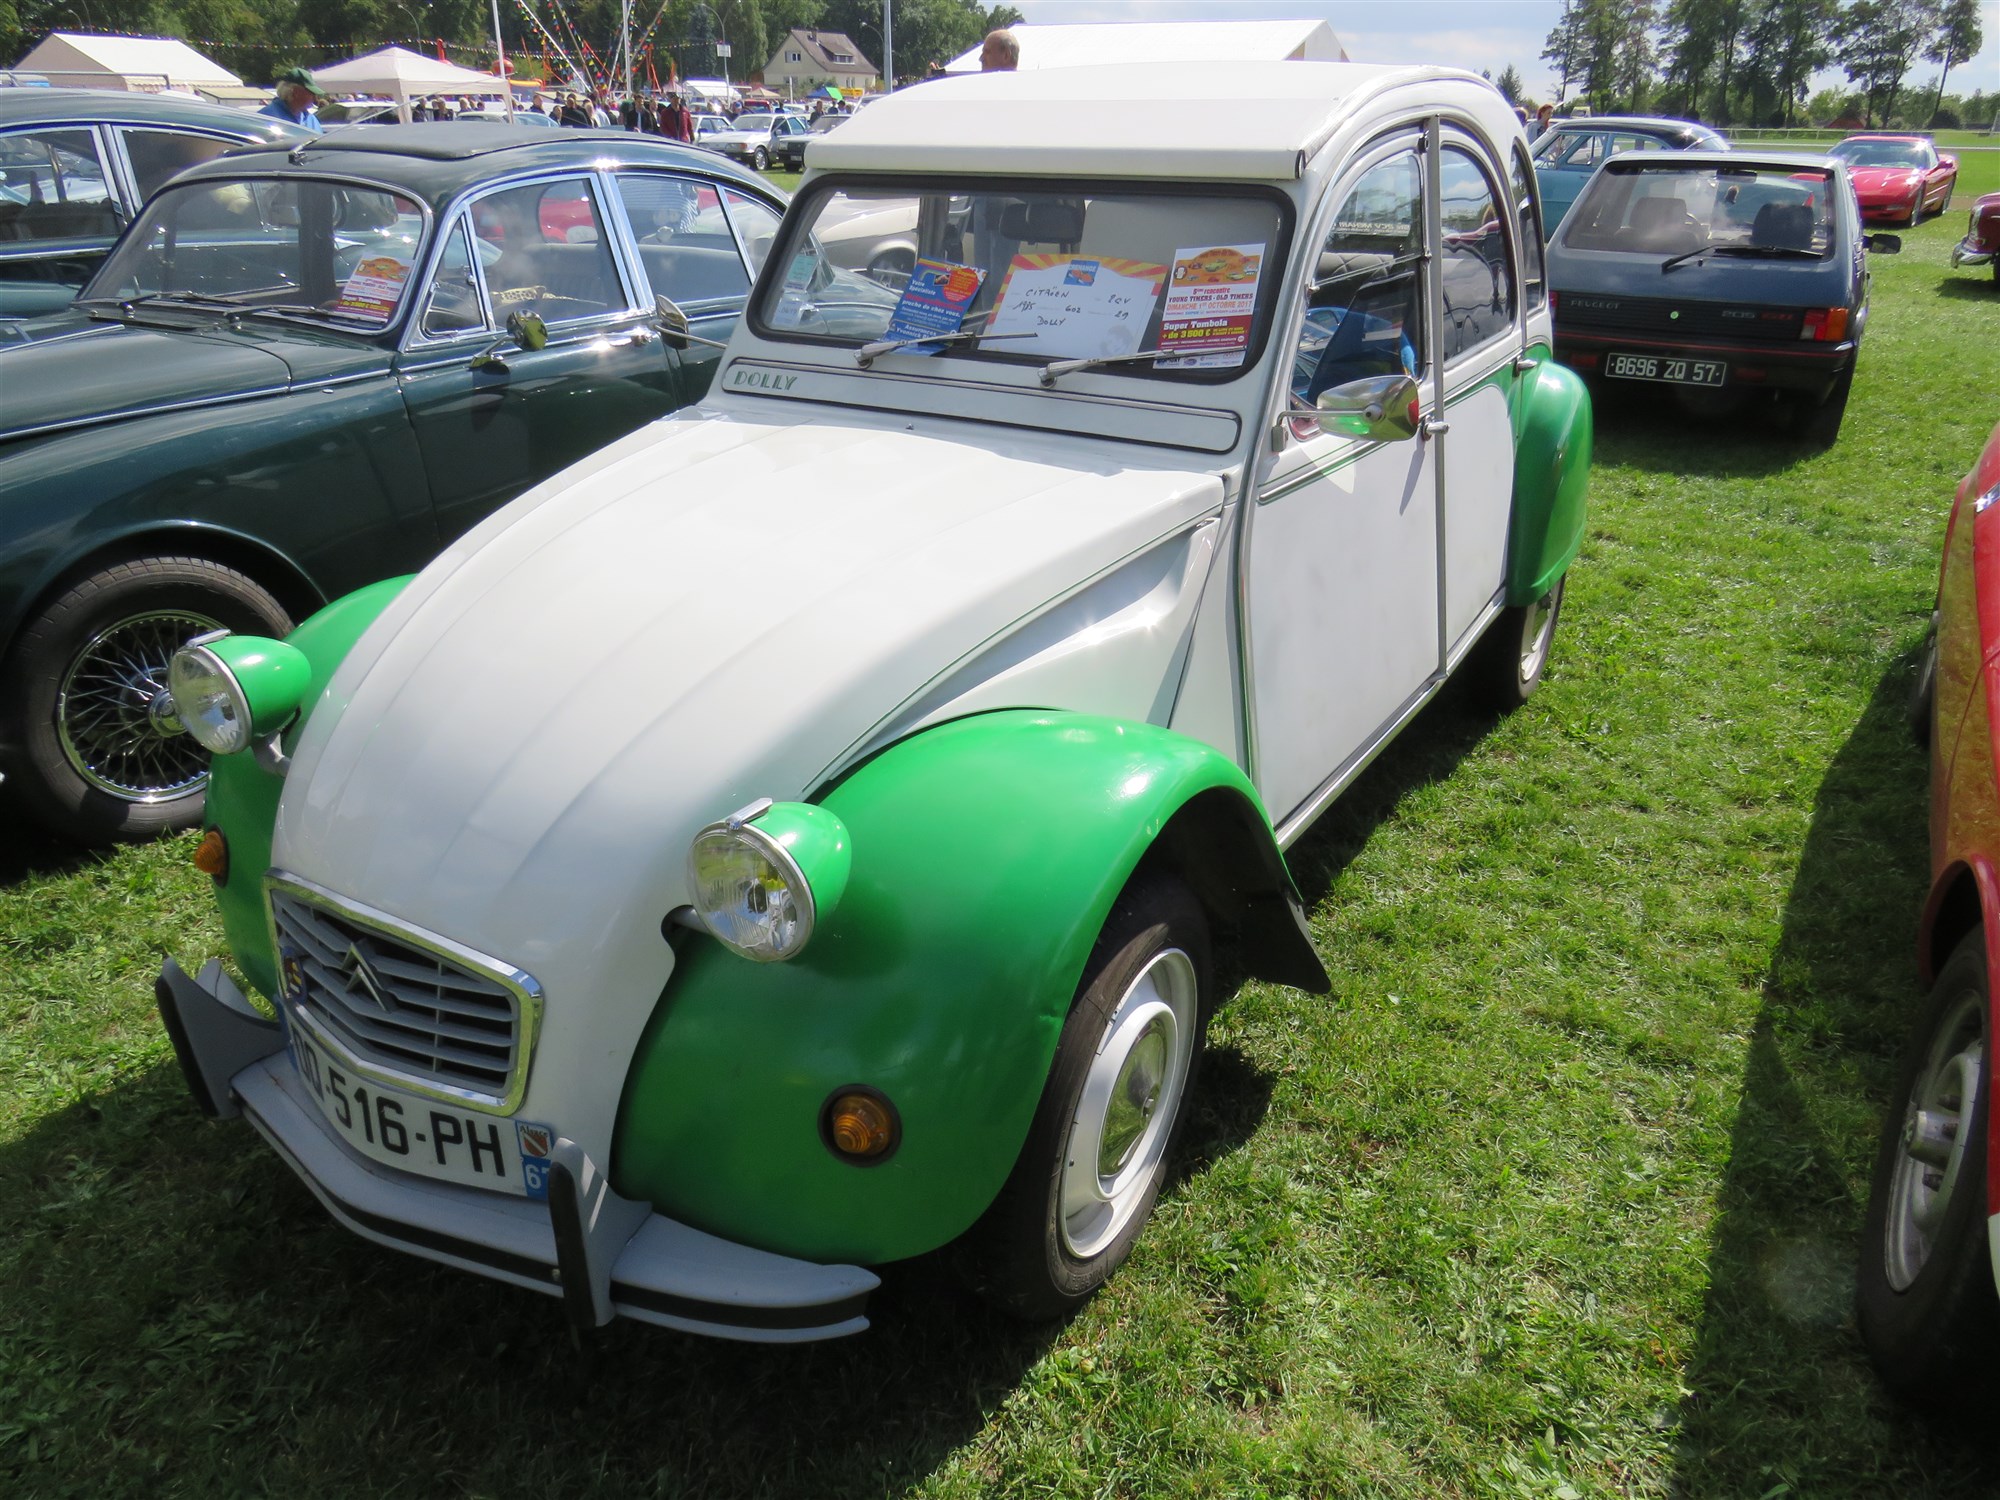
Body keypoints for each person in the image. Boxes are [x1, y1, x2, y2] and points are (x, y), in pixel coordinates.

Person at [261, 67, 326, 133]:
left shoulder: (311, 119)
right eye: (311, 93)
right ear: (296, 92)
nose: (315, 98)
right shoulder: (266, 117)